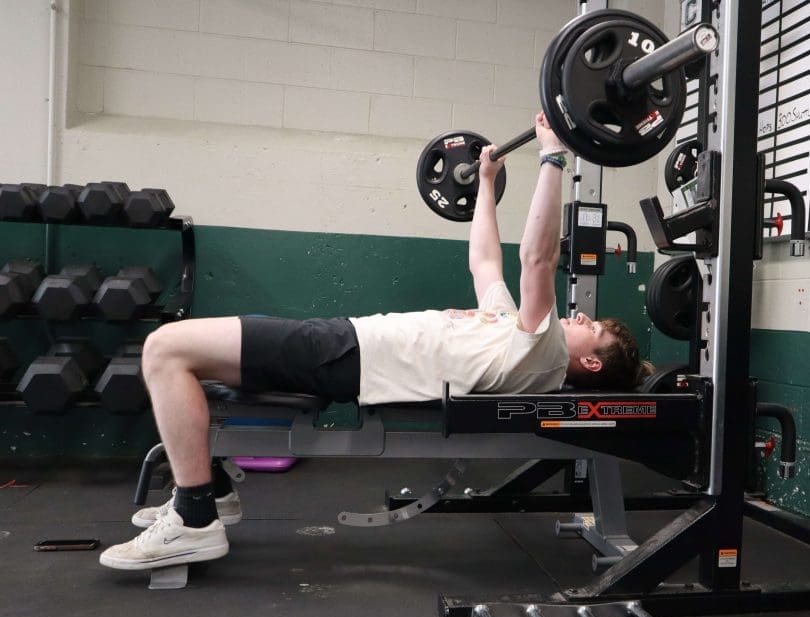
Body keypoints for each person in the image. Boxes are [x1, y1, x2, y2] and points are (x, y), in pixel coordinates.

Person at [99, 112, 650, 572]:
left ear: (590, 364)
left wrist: (554, 158)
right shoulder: (518, 334)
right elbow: (485, 262)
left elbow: (538, 259)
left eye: (592, 327)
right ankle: (211, 488)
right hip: (344, 343)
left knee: (165, 348)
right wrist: (485, 184)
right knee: (190, 353)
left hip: (346, 356)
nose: (579, 315)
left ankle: (195, 517)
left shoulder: (544, 352)